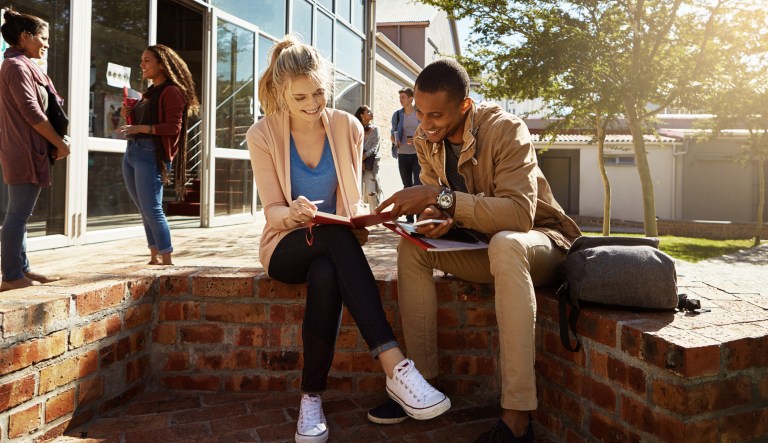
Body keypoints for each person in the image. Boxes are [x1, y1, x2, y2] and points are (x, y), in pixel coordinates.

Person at [246, 35, 450, 443]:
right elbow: (271, 211)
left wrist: (366, 218)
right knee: (328, 241)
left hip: (330, 245)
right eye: (301, 96)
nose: (312, 103)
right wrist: (294, 213)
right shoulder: (262, 134)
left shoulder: (347, 126)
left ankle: (311, 399)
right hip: (284, 246)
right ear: (281, 92)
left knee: (327, 269)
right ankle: (396, 368)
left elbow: (349, 202)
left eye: (319, 93)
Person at [370, 59, 581, 442]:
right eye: (419, 111)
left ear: (465, 106)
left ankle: (517, 416)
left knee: (506, 243)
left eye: (436, 114)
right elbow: (447, 205)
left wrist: (439, 196)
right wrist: (435, 216)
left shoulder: (506, 130)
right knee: (413, 247)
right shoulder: (425, 138)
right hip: (486, 248)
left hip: (542, 245)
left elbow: (519, 215)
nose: (425, 123)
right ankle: (423, 387)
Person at [0, 7, 71, 291]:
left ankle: (22, 269)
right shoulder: (16, 67)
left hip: (29, 149)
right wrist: (58, 142)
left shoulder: (23, 65)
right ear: (25, 36)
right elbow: (31, 112)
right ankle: (12, 276)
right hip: (22, 151)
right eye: (43, 37)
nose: (47, 44)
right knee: (17, 215)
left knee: (21, 214)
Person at [119, 44, 199, 266]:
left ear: (162, 64)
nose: (141, 64)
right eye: (141, 60)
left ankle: (167, 258)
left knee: (152, 208)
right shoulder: (150, 92)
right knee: (144, 208)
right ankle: (154, 256)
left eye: (147, 60)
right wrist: (130, 115)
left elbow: (173, 127)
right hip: (133, 151)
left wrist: (140, 129)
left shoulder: (172, 91)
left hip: (151, 154)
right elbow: (145, 122)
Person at [390, 87, 421, 222]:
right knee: (407, 186)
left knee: (418, 185)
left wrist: (416, 139)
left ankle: (420, 215)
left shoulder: (419, 114)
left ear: (410, 99)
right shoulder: (397, 115)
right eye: (400, 97)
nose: (400, 100)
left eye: (403, 97)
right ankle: (409, 217)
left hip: (418, 154)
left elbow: (426, 132)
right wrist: (394, 140)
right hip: (402, 153)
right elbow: (393, 132)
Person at [354, 105, 382, 211]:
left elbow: (374, 148)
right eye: (368, 111)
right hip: (357, 164)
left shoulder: (375, 130)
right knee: (357, 192)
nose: (371, 113)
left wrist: (362, 159)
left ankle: (374, 214)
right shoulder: (356, 128)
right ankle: (357, 215)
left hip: (370, 164)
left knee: (371, 191)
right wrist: (359, 161)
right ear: (362, 115)